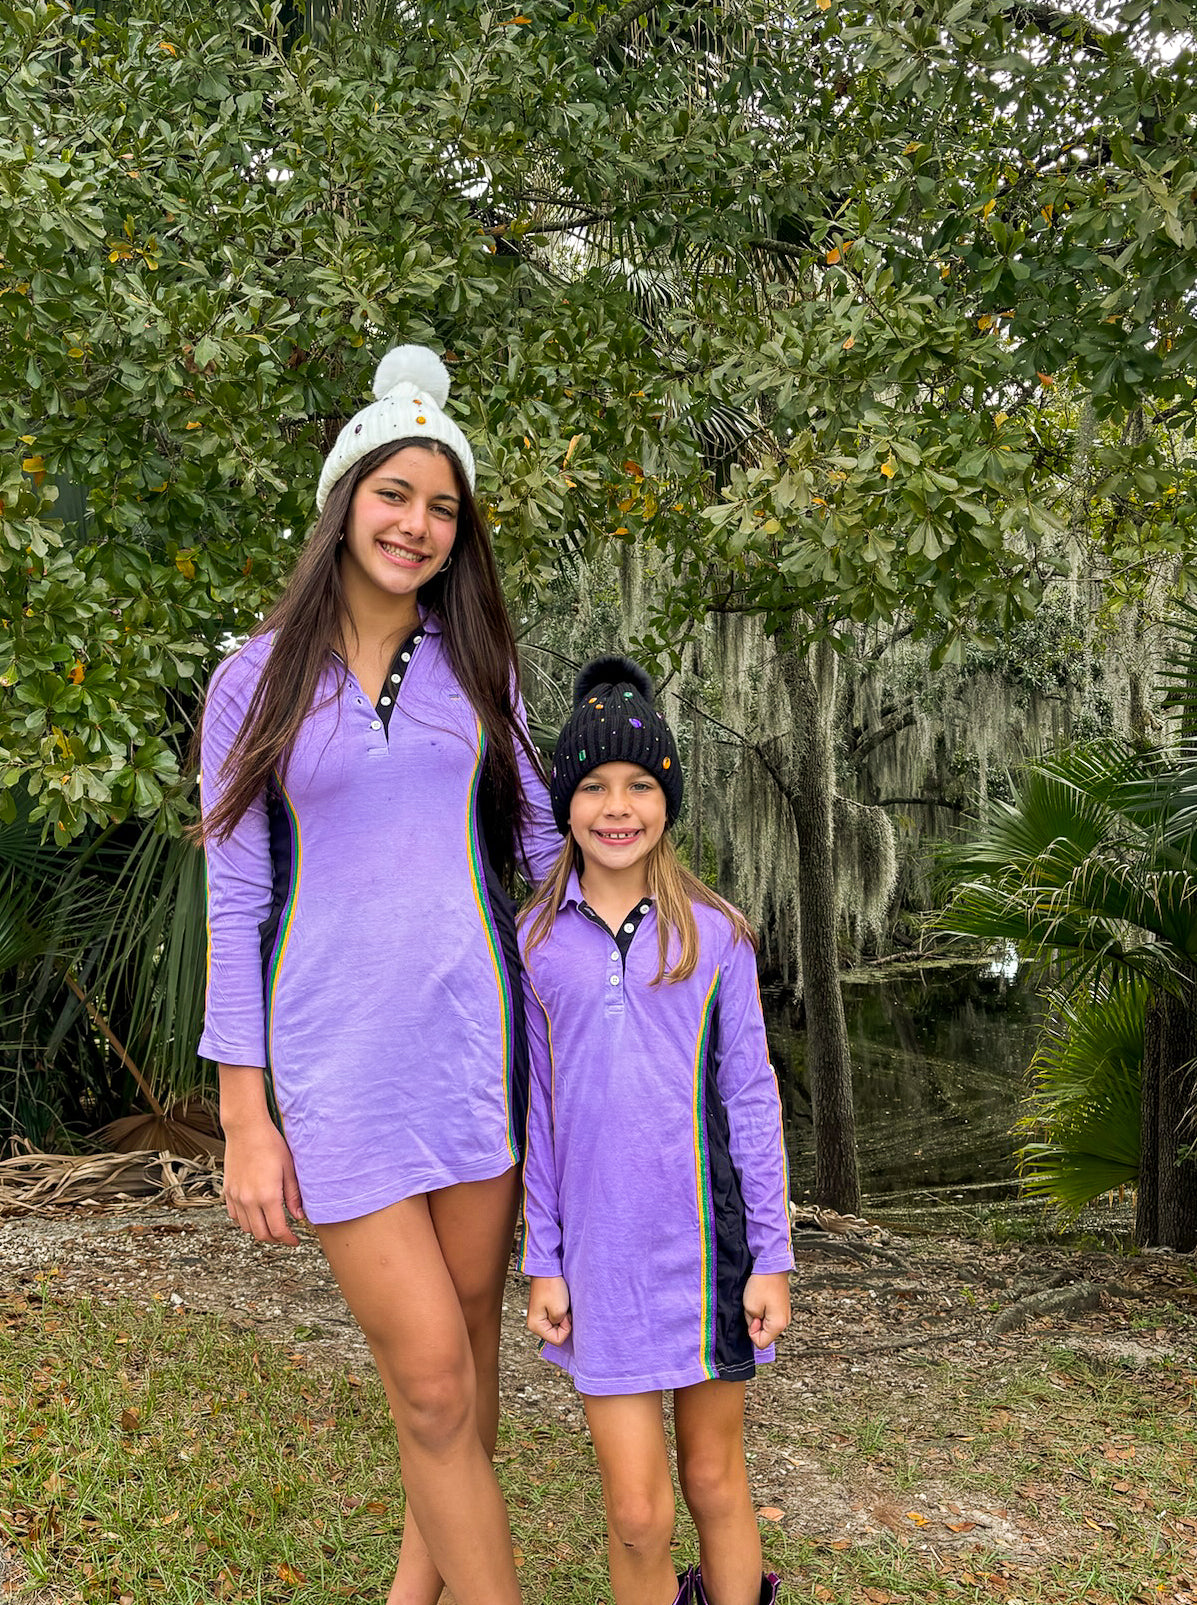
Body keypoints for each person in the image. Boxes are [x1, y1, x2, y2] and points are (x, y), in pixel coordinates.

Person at [197, 345, 559, 1605]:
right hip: (339, 1070)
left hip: (472, 1059)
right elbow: (236, 902)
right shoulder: (251, 681)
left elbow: (544, 854)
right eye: (395, 494)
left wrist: (664, 936)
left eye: (443, 506)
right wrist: (245, 1118)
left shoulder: (482, 669)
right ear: (345, 502)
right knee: (433, 1379)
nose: (416, 524)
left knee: (465, 1356)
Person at [518, 657, 794, 1605]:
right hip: (601, 1261)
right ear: (565, 801)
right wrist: (544, 1258)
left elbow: (749, 1097)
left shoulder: (715, 934)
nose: (616, 806)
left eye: (639, 783)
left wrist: (771, 1256)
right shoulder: (535, 940)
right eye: (592, 785)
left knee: (713, 1477)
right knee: (636, 1511)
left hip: (708, 1253)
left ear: (667, 798)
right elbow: (539, 1113)